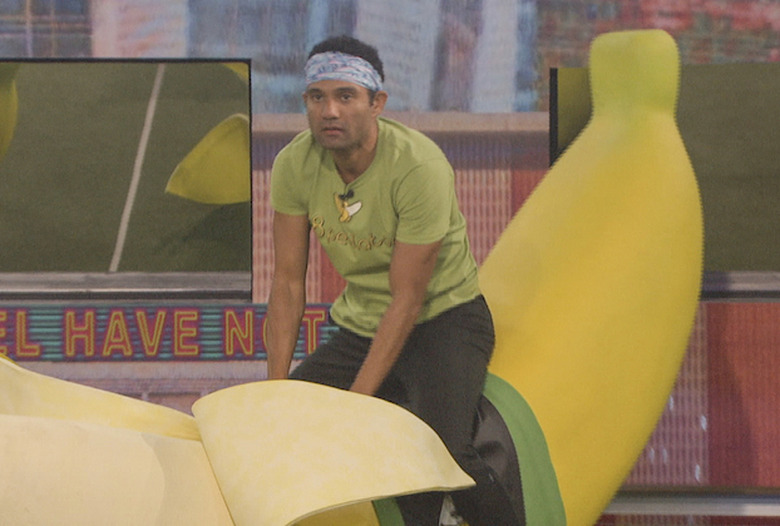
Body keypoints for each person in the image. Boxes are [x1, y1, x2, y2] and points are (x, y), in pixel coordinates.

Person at [265, 35, 520, 526]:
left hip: (444, 319)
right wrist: (274, 393)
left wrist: (357, 403)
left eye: (346, 96)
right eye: (317, 97)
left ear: (376, 103)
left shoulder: (418, 166)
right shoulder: (295, 164)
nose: (329, 111)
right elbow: (287, 284)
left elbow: (407, 299)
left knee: (442, 452)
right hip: (363, 324)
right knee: (291, 427)